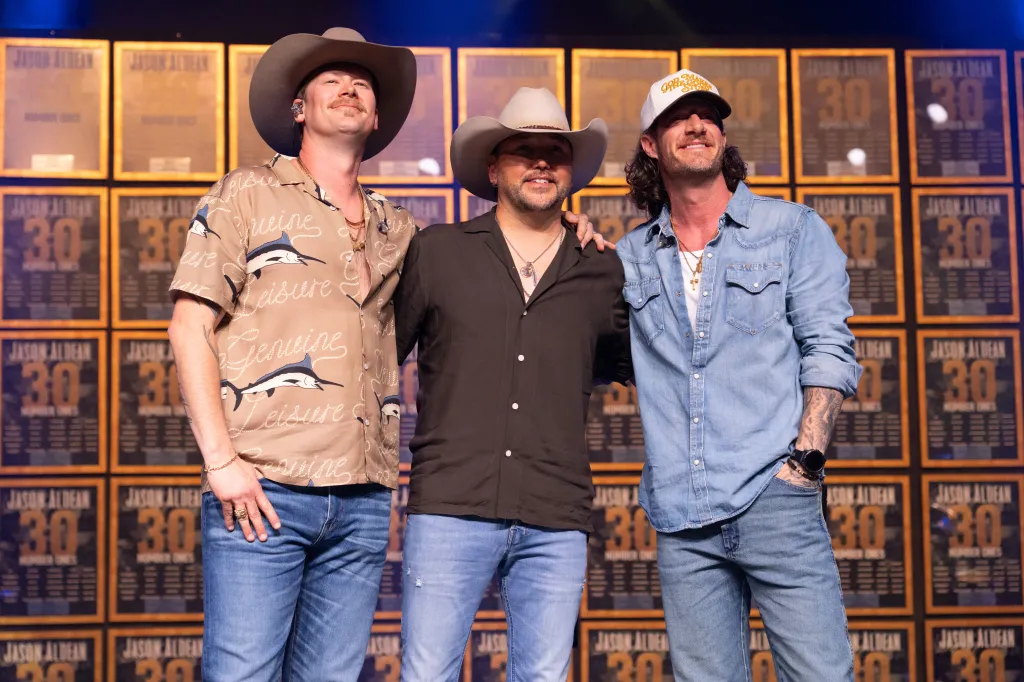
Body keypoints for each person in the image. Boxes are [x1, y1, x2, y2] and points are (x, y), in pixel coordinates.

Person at [167, 28, 604, 682]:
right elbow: (188, 327)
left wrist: (567, 225)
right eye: (331, 78)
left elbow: (504, 256)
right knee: (242, 674)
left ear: (376, 118)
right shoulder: (245, 195)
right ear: (298, 108)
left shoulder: (398, 230)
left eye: (363, 82)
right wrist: (223, 463)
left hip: (364, 502)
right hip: (263, 490)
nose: (350, 87)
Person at [617, 69, 862, 682]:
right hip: (680, 513)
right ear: (651, 144)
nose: (697, 124)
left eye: (709, 115)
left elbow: (828, 348)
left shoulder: (793, 230)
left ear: (722, 136)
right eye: (679, 117)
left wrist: (804, 462)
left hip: (775, 498)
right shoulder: (627, 258)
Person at [393, 87, 633, 682]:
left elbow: (611, 364)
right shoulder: (437, 252)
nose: (542, 162)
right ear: (494, 168)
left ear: (571, 171)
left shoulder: (602, 267)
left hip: (555, 513)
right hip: (451, 506)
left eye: (555, 151)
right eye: (525, 151)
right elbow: (375, 361)